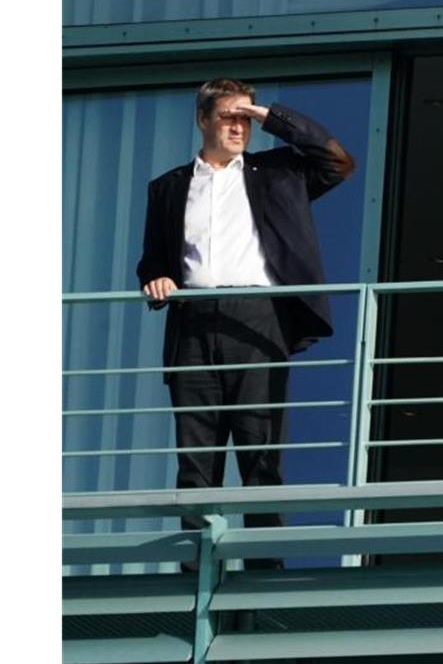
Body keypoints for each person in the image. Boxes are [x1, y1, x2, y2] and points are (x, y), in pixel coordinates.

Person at [136, 78, 355, 569]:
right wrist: (156, 280)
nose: (238, 126)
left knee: (261, 461)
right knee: (196, 466)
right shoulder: (169, 187)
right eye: (228, 116)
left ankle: (262, 586)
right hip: (191, 324)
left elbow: (337, 161)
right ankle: (194, 583)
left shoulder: (279, 174)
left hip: (257, 323)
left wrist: (271, 116)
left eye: (245, 118)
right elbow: (153, 260)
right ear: (203, 120)